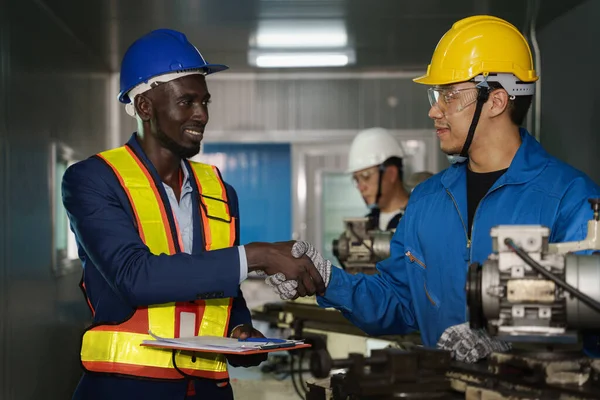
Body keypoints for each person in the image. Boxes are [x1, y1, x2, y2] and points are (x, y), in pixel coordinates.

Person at [270, 15, 600, 361]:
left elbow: (591, 317)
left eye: (450, 96)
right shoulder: (428, 200)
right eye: (436, 94)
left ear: (497, 101)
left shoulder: (570, 199)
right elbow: (398, 301)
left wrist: (511, 342)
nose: (434, 110)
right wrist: (325, 279)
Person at [62, 29, 323, 400]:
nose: (201, 114)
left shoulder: (219, 192)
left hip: (208, 391)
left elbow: (221, 289)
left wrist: (239, 330)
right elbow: (135, 277)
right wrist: (259, 255)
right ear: (144, 107)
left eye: (205, 102)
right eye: (187, 102)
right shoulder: (93, 180)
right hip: (123, 390)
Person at [347, 127, 411, 230]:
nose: (360, 187)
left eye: (366, 176)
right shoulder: (365, 227)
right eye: (356, 179)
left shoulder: (422, 220)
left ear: (391, 174)